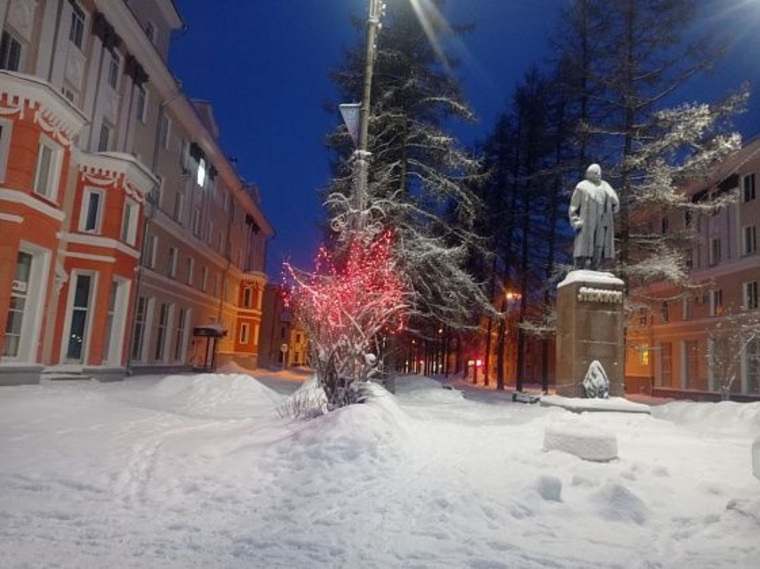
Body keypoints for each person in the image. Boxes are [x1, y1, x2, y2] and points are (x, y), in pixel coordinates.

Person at [568, 164, 619, 271]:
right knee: (585, 244)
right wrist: (575, 220)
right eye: (595, 172)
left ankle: (596, 266)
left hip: (602, 219)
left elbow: (615, 201)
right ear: (589, 173)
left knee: (599, 243)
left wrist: (614, 207)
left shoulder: (605, 185)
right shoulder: (582, 186)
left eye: (599, 172)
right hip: (587, 220)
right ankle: (581, 266)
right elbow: (573, 206)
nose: (598, 174)